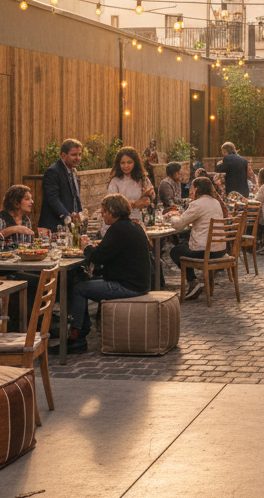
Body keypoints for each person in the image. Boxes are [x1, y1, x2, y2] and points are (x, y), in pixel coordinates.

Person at [67, 194, 151, 353]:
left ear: (113, 210)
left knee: (79, 289)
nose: (102, 213)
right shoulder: (133, 226)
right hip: (139, 283)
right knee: (81, 281)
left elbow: (98, 257)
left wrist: (86, 247)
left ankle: (77, 338)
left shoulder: (118, 229)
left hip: (128, 286)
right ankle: (82, 328)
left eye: (104, 210)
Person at [168, 177, 229, 300]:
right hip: (220, 250)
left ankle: (193, 281)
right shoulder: (215, 202)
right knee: (184, 247)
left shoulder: (197, 204)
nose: (190, 191)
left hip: (205, 252)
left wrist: (171, 216)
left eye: (191, 188)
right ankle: (196, 281)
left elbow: (179, 224)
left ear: (196, 189)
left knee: (175, 251)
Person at [39, 139, 84, 232]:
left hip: (70, 226)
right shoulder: (53, 172)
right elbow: (53, 199)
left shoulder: (73, 171)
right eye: (74, 155)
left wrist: (80, 214)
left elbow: (76, 197)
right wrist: (67, 216)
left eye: (79, 154)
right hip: (54, 226)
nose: (78, 158)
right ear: (64, 155)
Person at [106, 146, 156, 223]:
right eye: (123, 163)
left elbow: (152, 196)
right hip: (121, 221)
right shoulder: (115, 181)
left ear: (135, 163)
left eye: (129, 162)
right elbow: (112, 204)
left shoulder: (142, 179)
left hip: (139, 219)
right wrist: (134, 204)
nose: (126, 166)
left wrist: (150, 193)